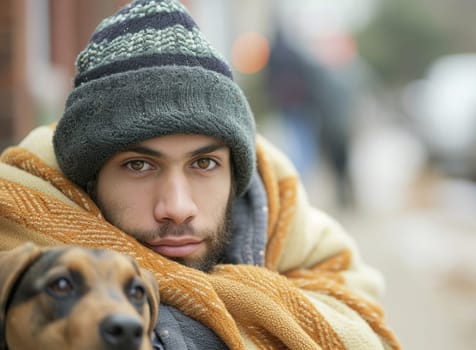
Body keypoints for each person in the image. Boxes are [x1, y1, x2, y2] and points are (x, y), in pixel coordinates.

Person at [0, 0, 401, 349]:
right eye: (138, 165)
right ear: (87, 182)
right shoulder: (17, 249)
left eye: (204, 164)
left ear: (236, 178)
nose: (177, 207)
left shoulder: (317, 260)